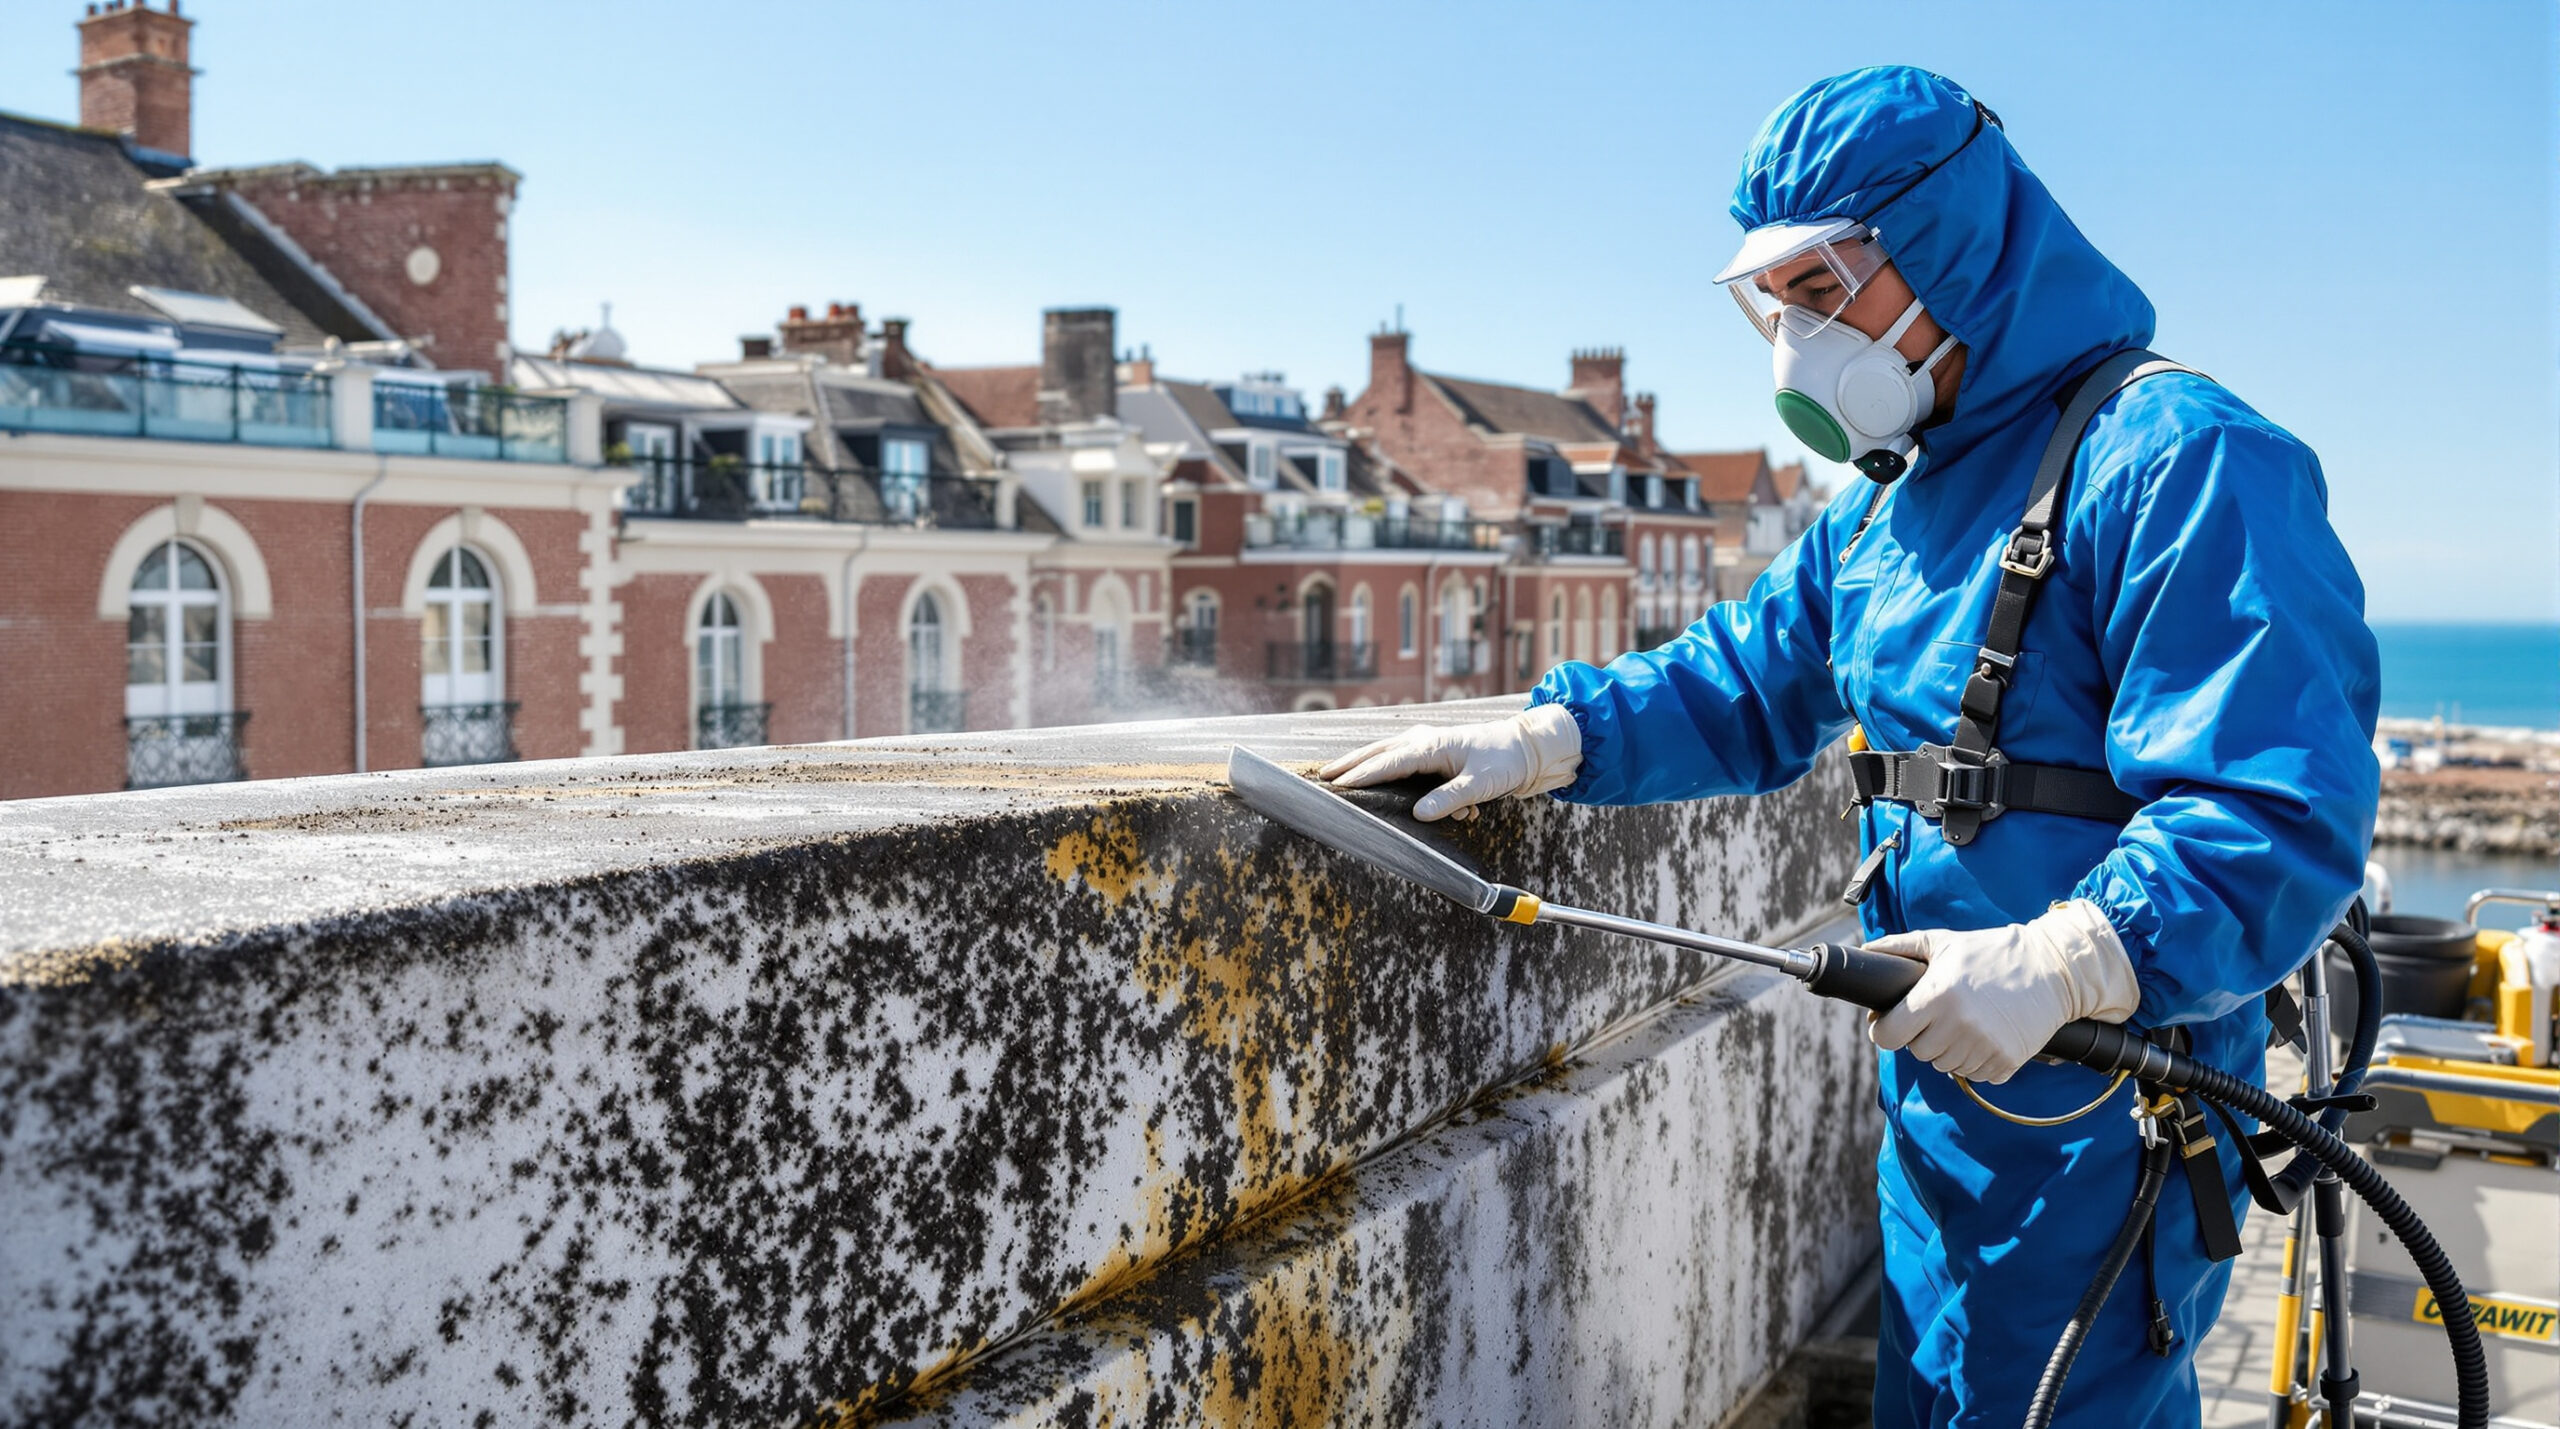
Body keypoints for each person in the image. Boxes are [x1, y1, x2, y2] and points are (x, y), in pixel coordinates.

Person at [1321, 66, 2379, 1427]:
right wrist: (1553, 732)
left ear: (1942, 245)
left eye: (1825, 293)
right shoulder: (1889, 509)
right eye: (1780, 304)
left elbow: (2277, 811)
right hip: (1943, 1110)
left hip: (2106, 1119)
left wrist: (2075, 954)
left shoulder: (2180, 457)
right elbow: (1746, 681)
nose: (1797, 345)